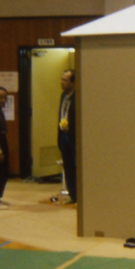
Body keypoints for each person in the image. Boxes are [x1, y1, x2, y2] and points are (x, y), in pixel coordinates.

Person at [58, 69, 77, 204]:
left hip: (74, 136)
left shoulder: (78, 96)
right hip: (64, 135)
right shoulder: (63, 96)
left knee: (77, 167)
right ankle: (72, 195)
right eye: (62, 79)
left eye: (65, 80)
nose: (62, 83)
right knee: (68, 167)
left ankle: (81, 197)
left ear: (73, 82)